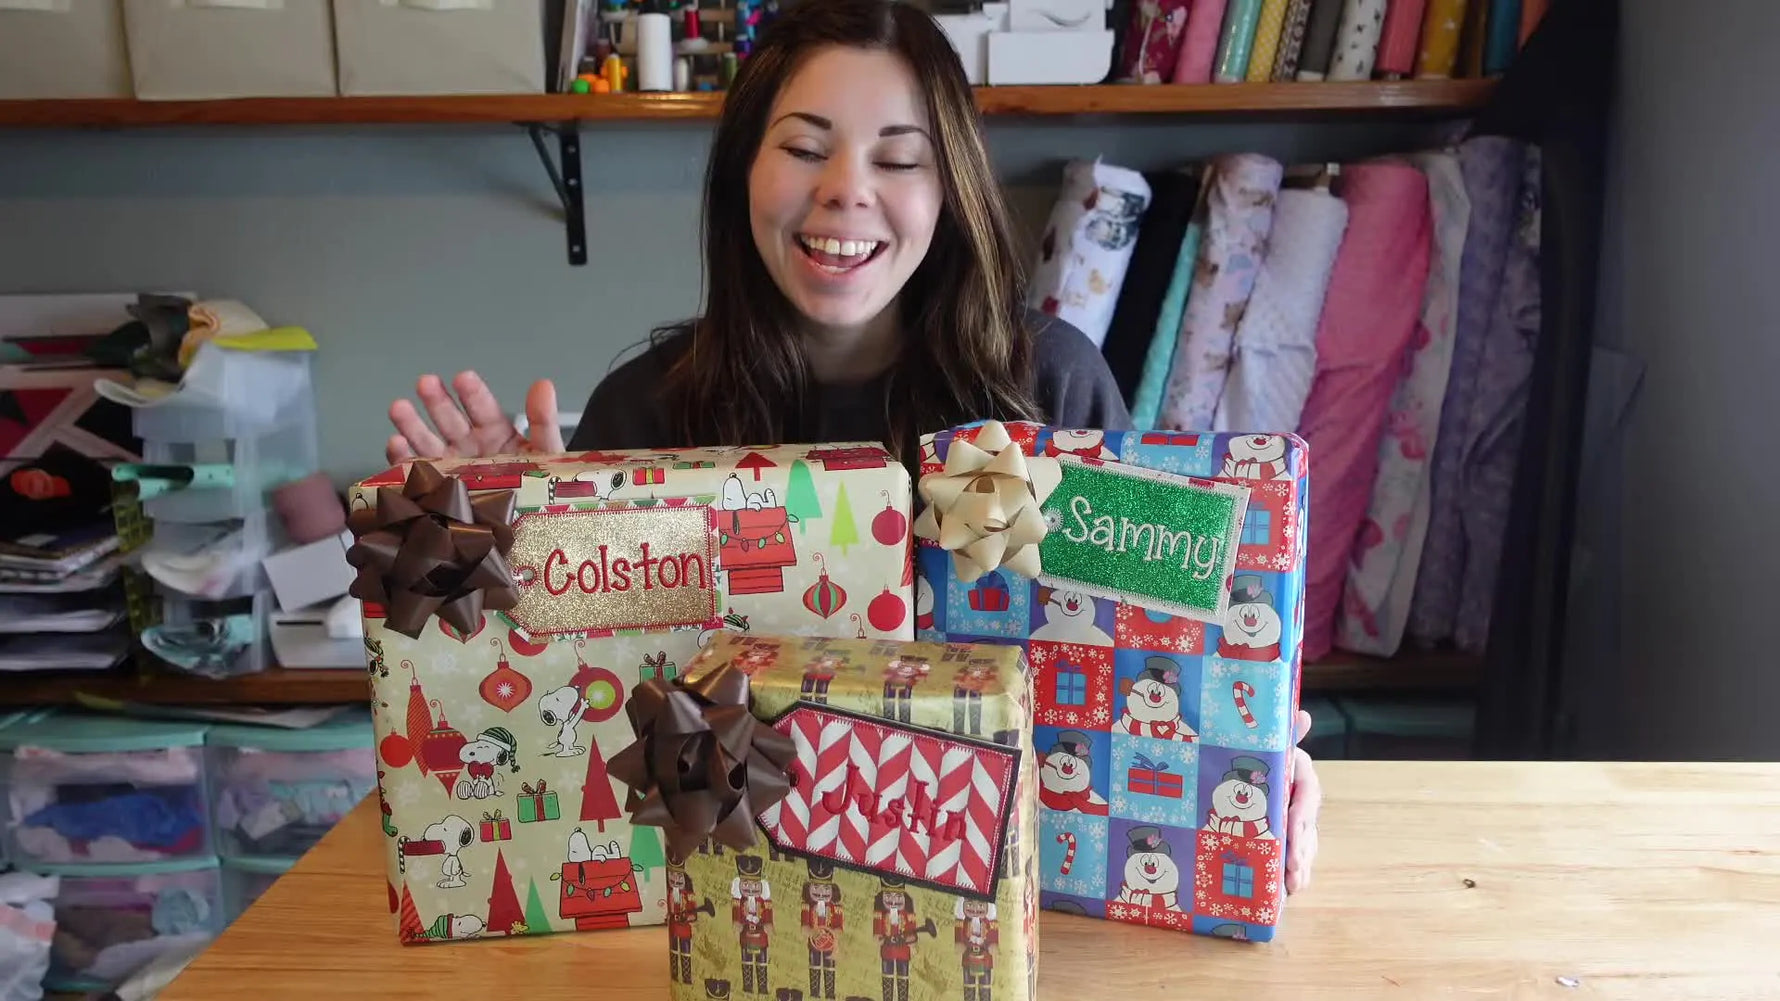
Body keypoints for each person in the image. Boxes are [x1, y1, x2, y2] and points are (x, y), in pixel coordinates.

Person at [382, 0, 1321, 894]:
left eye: (899, 159)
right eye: (803, 149)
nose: (845, 189)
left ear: (949, 189)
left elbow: (1161, 645)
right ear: (744, 170)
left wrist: (1262, 760)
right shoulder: (653, 411)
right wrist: (511, 544)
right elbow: (562, 716)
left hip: (1002, 892)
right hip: (718, 894)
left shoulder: (1047, 390)